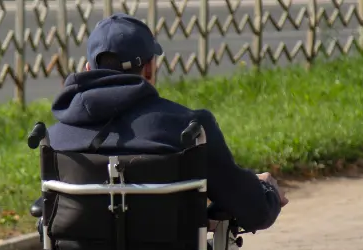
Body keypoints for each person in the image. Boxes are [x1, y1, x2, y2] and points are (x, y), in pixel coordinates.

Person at [45, 13, 289, 233]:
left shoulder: (56, 139)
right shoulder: (189, 129)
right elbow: (253, 211)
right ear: (150, 68)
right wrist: (267, 193)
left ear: (88, 69)